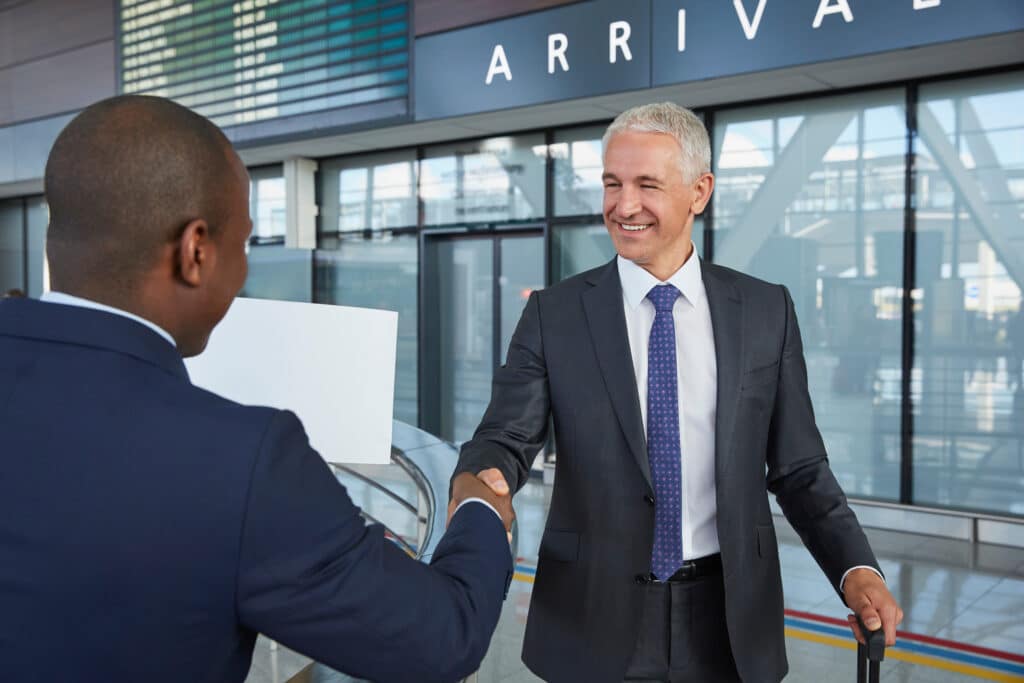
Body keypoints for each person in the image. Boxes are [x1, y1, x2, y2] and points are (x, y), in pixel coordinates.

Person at [0, 95, 514, 683]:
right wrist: (479, 507)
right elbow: (441, 637)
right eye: (243, 245)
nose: (242, 272)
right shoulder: (243, 459)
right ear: (196, 252)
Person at [450, 102, 903, 682]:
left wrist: (856, 569)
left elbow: (800, 469)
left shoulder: (765, 311)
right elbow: (503, 438)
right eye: (613, 183)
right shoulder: (554, 314)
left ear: (699, 191)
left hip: (729, 619)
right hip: (592, 615)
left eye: (647, 185)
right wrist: (483, 477)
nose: (623, 205)